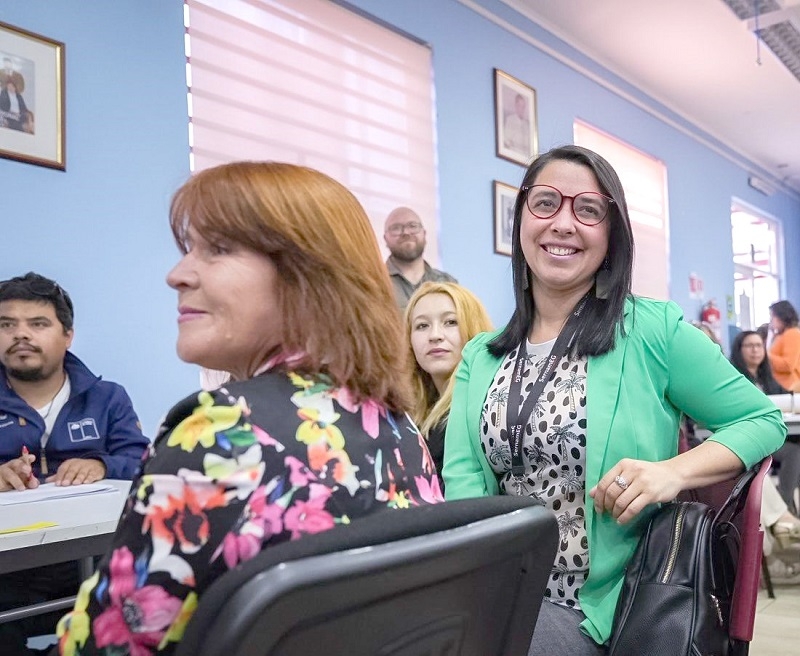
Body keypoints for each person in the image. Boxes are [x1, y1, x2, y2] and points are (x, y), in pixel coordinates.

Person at [56, 162, 444, 655]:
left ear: (308, 277)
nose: (177, 274)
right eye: (188, 250)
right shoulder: (396, 424)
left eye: (217, 249)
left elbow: (102, 647)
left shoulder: (223, 432)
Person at [442, 145, 785, 654]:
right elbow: (465, 491)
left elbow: (762, 419)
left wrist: (672, 472)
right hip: (501, 589)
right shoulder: (482, 356)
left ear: (611, 234)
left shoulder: (651, 330)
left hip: (605, 607)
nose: (563, 223)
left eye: (587, 210)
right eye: (545, 203)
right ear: (520, 221)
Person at [0, 272, 149, 655]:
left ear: (67, 335)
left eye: (38, 324)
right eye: (6, 325)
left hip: (93, 562)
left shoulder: (108, 397)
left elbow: (144, 464)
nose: (21, 335)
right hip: (8, 570)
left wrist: (101, 464)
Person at [405, 281, 493, 487]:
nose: (435, 335)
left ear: (473, 328)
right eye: (422, 326)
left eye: (451, 322)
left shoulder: (487, 406)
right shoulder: (408, 415)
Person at [731, 329, 800, 518]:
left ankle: (785, 507)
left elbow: (787, 399)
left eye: (759, 346)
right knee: (794, 452)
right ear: (739, 350)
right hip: (751, 437)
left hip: (776, 434)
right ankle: (785, 510)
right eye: (750, 346)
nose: (756, 350)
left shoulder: (767, 378)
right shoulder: (734, 378)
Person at [384, 207, 456, 310]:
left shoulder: (448, 283)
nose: (406, 232)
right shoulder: (374, 283)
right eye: (396, 228)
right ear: (385, 239)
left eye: (413, 226)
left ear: (424, 234)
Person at [768, 300, 800, 392]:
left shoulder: (792, 333)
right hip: (781, 386)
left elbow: (788, 365)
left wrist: (766, 356)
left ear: (781, 317)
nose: (771, 320)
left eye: (772, 316)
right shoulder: (780, 335)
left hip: (789, 387)